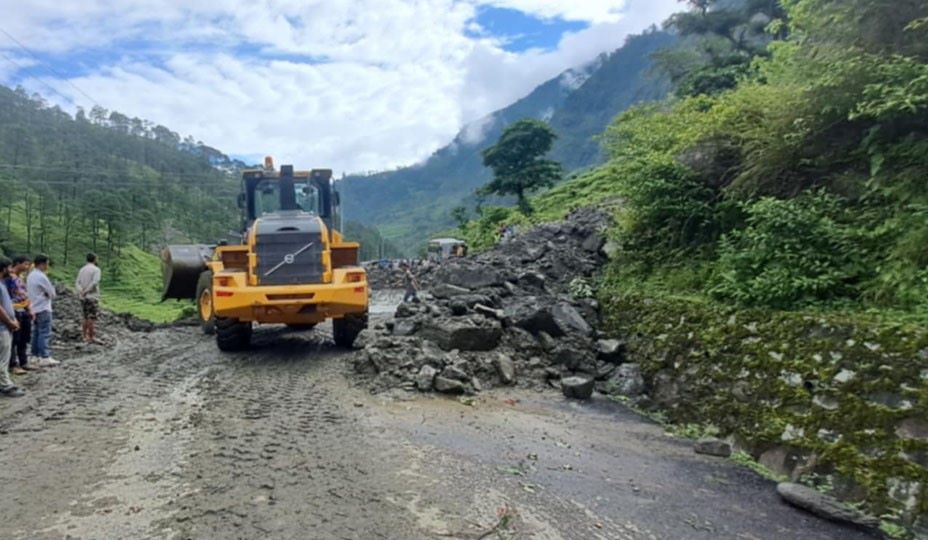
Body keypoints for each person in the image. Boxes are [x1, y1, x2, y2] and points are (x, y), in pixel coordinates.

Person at [3, 255, 37, 374]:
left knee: (24, 338)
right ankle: (13, 364)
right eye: (26, 264)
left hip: (24, 310)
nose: (27, 267)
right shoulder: (8, 278)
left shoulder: (20, 277)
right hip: (14, 310)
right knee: (14, 339)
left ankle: (24, 361)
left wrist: (29, 309)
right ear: (17, 263)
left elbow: (24, 295)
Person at [0, 257, 26, 397]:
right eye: (9, 268)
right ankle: (6, 386)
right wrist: (10, 322)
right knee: (3, 358)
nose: (11, 271)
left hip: (5, 326)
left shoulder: (2, 284)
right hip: (2, 327)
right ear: (3, 269)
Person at [26, 254, 57, 367]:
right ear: (43, 264)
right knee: (44, 332)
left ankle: (34, 356)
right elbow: (52, 294)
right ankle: (45, 356)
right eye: (47, 264)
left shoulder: (30, 275)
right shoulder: (41, 276)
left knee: (36, 332)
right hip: (43, 307)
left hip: (33, 307)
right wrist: (47, 294)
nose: (48, 266)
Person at [75, 252, 102, 344]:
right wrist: (86, 291)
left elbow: (77, 282)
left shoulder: (82, 269)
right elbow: (94, 282)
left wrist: (81, 292)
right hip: (92, 296)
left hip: (83, 297)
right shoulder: (96, 270)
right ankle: (91, 337)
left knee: (85, 316)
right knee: (91, 317)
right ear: (95, 259)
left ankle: (84, 336)